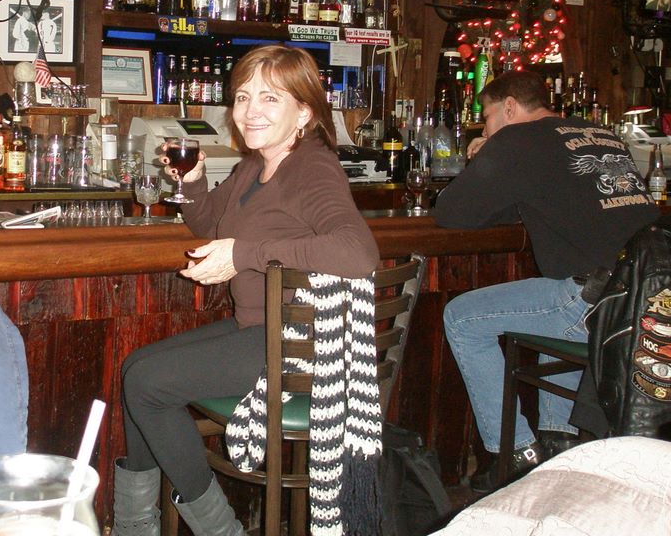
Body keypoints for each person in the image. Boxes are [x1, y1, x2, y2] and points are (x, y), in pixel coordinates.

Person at [116, 45, 379, 536]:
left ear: (304, 112)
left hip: (302, 345)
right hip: (260, 327)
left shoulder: (312, 167)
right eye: (242, 97)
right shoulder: (253, 167)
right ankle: (136, 526)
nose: (250, 111)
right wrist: (195, 180)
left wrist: (245, 254)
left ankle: (221, 531)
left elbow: (358, 252)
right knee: (135, 369)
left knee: (147, 384)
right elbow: (209, 225)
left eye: (270, 98)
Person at [434, 70, 658, 493]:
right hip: (646, 301)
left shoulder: (516, 139)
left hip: (597, 303)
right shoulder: (598, 133)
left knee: (462, 318)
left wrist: (485, 154)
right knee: (548, 304)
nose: (485, 128)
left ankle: (514, 454)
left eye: (487, 118)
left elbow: (451, 213)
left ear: (509, 107)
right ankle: (558, 446)